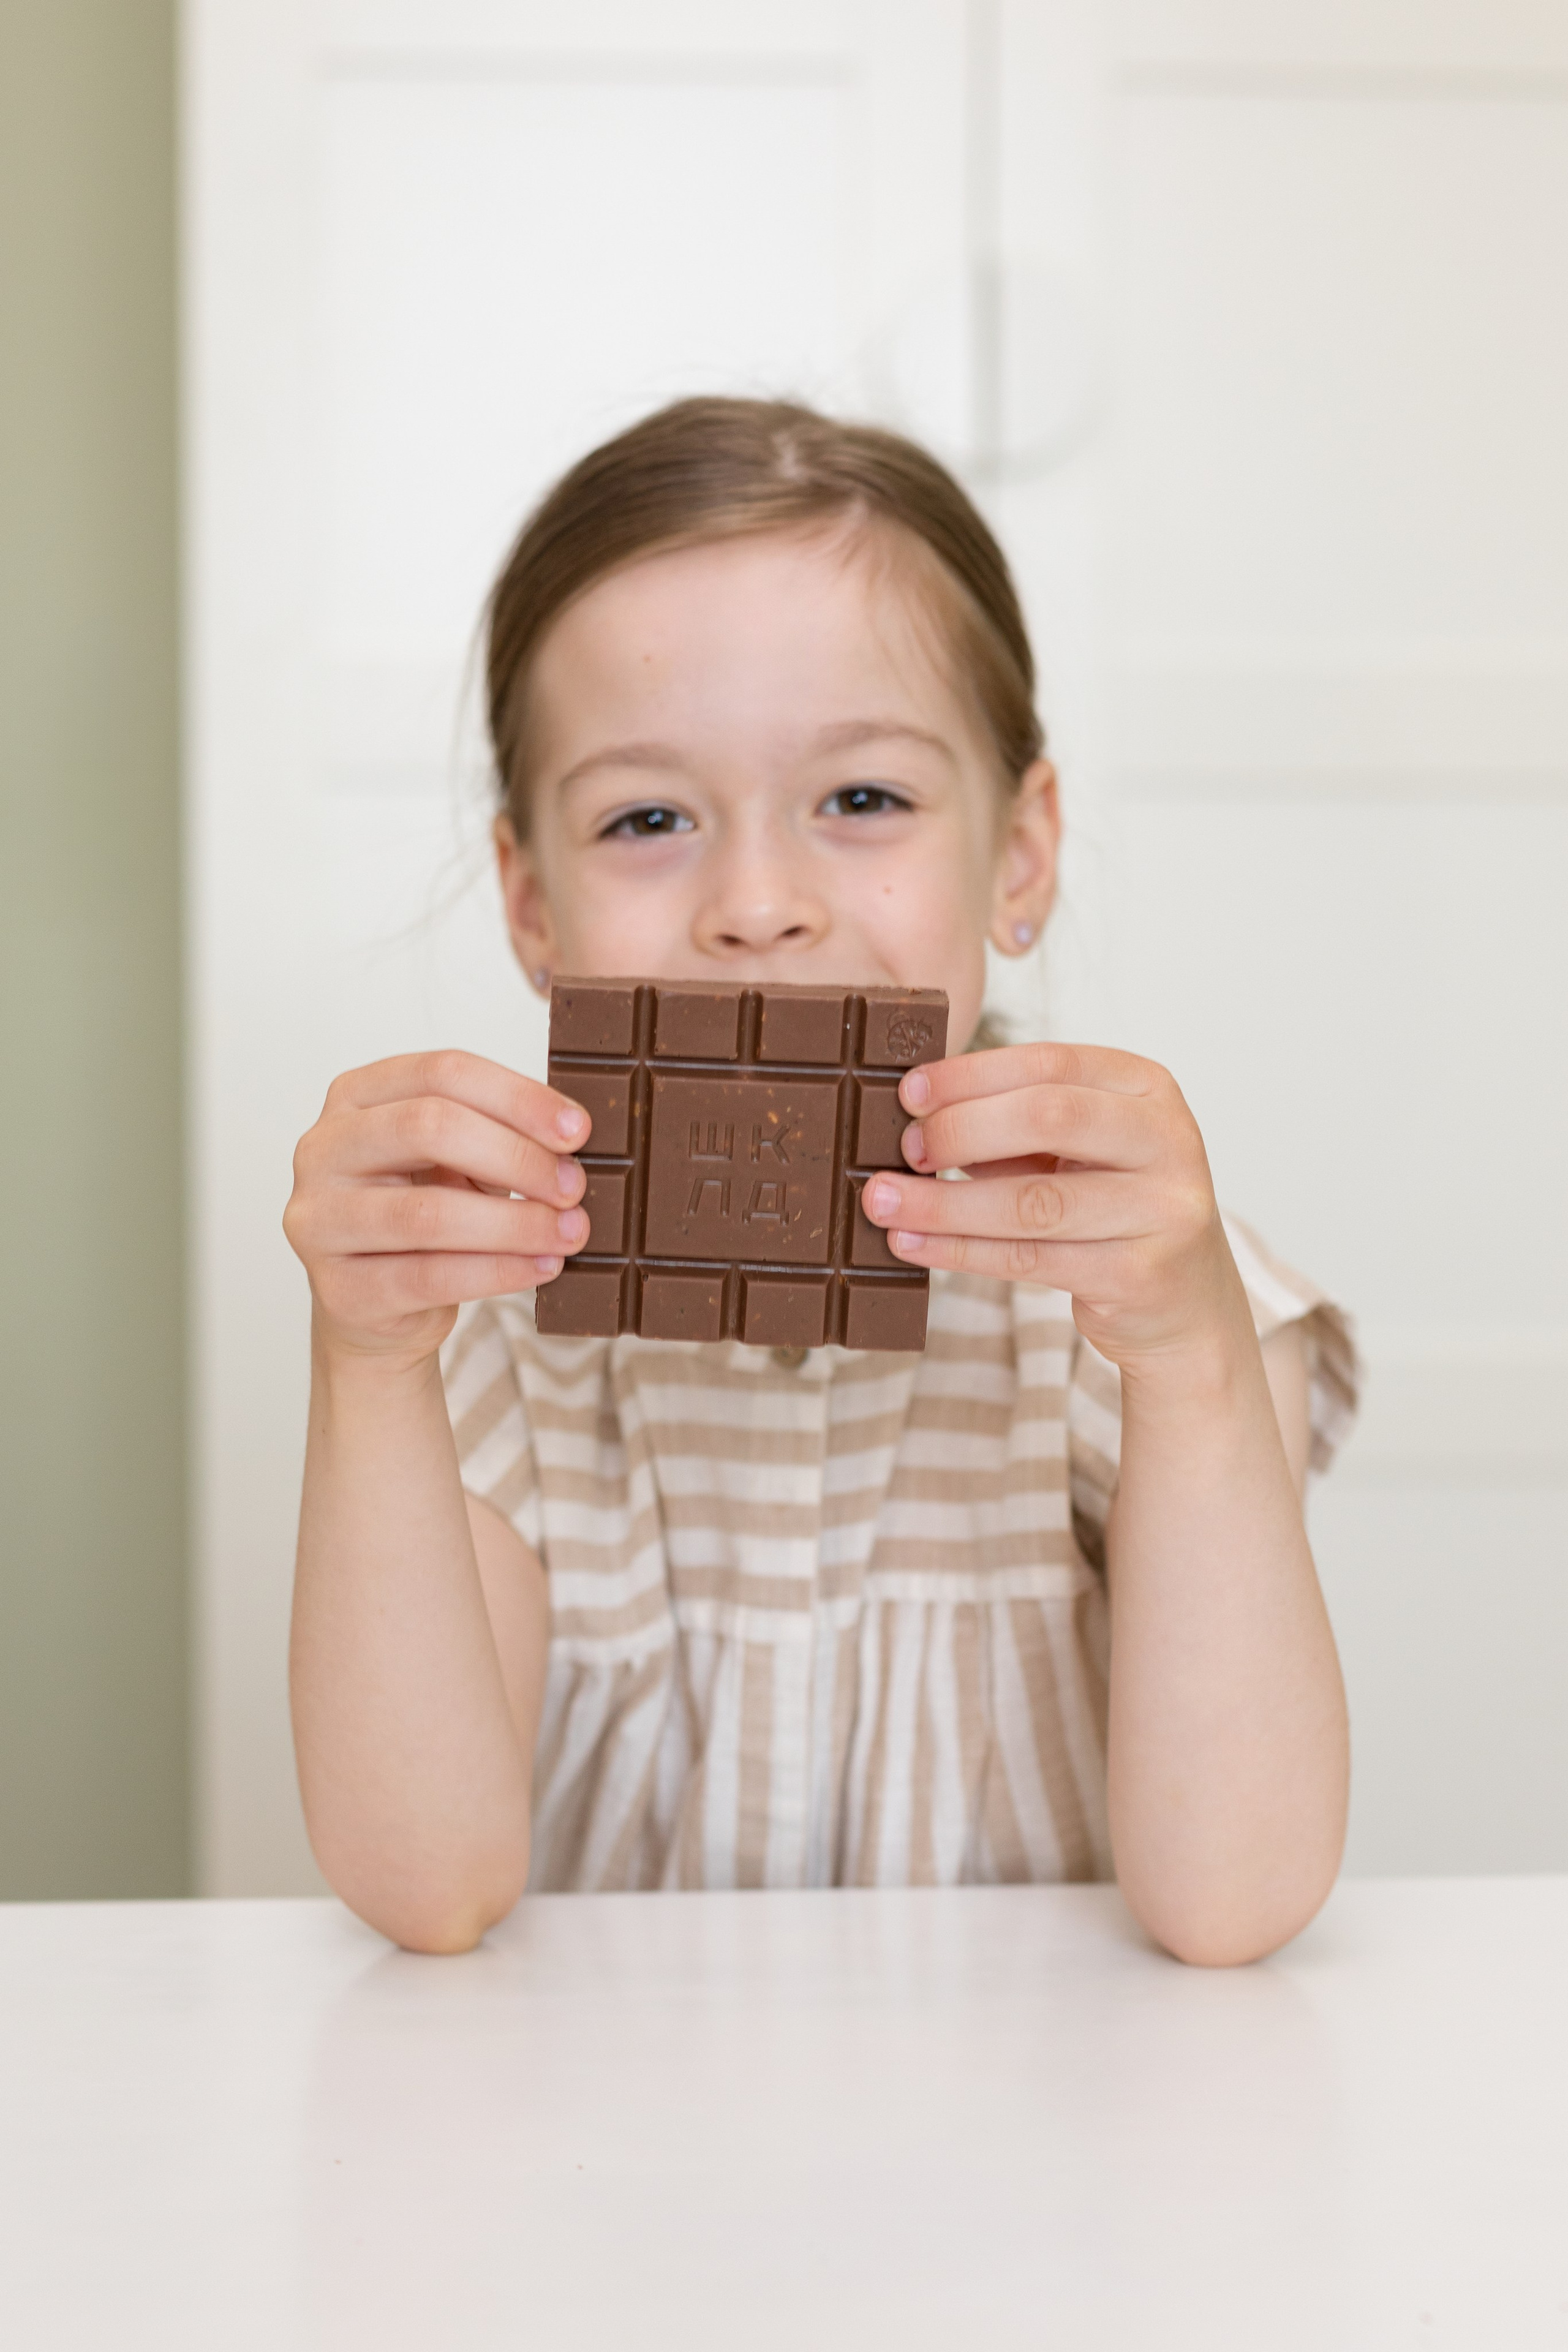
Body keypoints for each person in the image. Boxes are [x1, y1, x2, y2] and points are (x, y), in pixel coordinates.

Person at [284, 398, 1357, 1963]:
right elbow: (427, 1884)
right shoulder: (487, 1331)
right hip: (599, 2151)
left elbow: (1235, 1901)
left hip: (1057, 2146)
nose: (760, 904)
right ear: (532, 904)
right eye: (648, 817)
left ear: (1020, 856)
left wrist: (1188, 1365)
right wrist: (367, 1365)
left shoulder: (1155, 1307)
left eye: (861, 799)